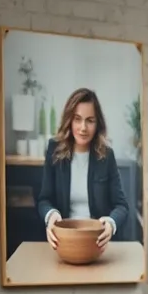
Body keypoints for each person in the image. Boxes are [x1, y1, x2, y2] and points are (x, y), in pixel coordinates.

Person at [37, 88, 129, 252]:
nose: (83, 127)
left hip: (96, 245)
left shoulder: (107, 156)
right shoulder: (54, 150)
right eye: (77, 119)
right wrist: (51, 215)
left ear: (97, 123)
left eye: (90, 120)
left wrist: (111, 223)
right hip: (64, 243)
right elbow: (44, 199)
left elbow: (121, 206)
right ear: (69, 120)